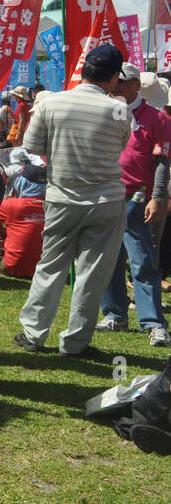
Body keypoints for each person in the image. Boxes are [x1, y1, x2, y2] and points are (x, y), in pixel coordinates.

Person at [15, 44, 131, 358]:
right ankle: (76, 342)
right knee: (93, 273)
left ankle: (33, 333)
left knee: (50, 266)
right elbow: (119, 147)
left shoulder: (52, 102)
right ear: (113, 77)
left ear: (83, 71)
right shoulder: (120, 109)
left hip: (62, 197)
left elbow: (31, 144)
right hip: (106, 198)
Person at [98, 63, 171, 346]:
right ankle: (115, 314)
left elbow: (162, 162)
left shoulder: (156, 118)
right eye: (114, 80)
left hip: (137, 197)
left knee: (142, 261)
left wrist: (157, 196)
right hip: (105, 194)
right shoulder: (104, 111)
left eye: (123, 82)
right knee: (109, 259)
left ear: (136, 85)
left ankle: (153, 322)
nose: (116, 86)